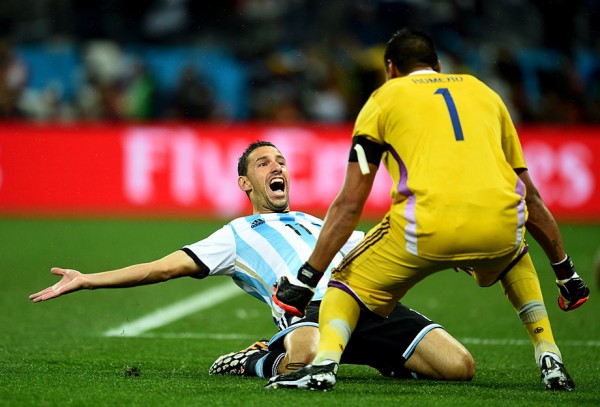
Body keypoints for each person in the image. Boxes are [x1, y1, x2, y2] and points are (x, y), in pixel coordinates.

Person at [267, 28, 589, 392]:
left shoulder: (384, 97)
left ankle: (324, 366)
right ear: (438, 65)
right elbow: (530, 197)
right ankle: (549, 355)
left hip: (424, 227)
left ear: (390, 68)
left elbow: (350, 202)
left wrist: (307, 278)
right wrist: (567, 274)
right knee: (515, 256)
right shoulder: (485, 93)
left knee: (344, 283)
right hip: (499, 223)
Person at [29, 141, 474, 382]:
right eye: (264, 163)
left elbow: (386, 241)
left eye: (280, 161)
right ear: (246, 182)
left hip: (367, 303)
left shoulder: (320, 222)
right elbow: (162, 267)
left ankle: (374, 354)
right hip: (309, 312)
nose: (276, 167)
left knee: (460, 368)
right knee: (303, 359)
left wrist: (446, 251)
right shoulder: (235, 236)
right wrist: (88, 280)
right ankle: (258, 359)